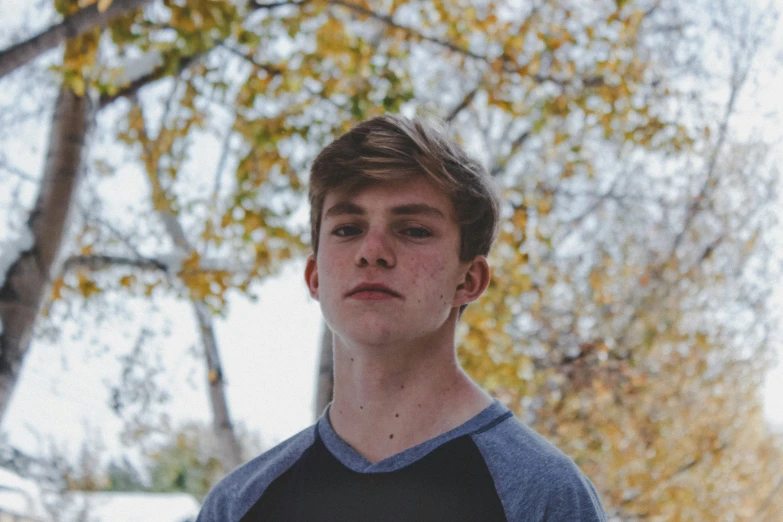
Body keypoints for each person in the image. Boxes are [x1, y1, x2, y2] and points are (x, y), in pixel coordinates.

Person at [196, 115, 607, 521]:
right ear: (315, 276)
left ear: (470, 279)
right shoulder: (237, 506)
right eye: (347, 229)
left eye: (412, 230)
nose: (372, 250)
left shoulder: (543, 496)